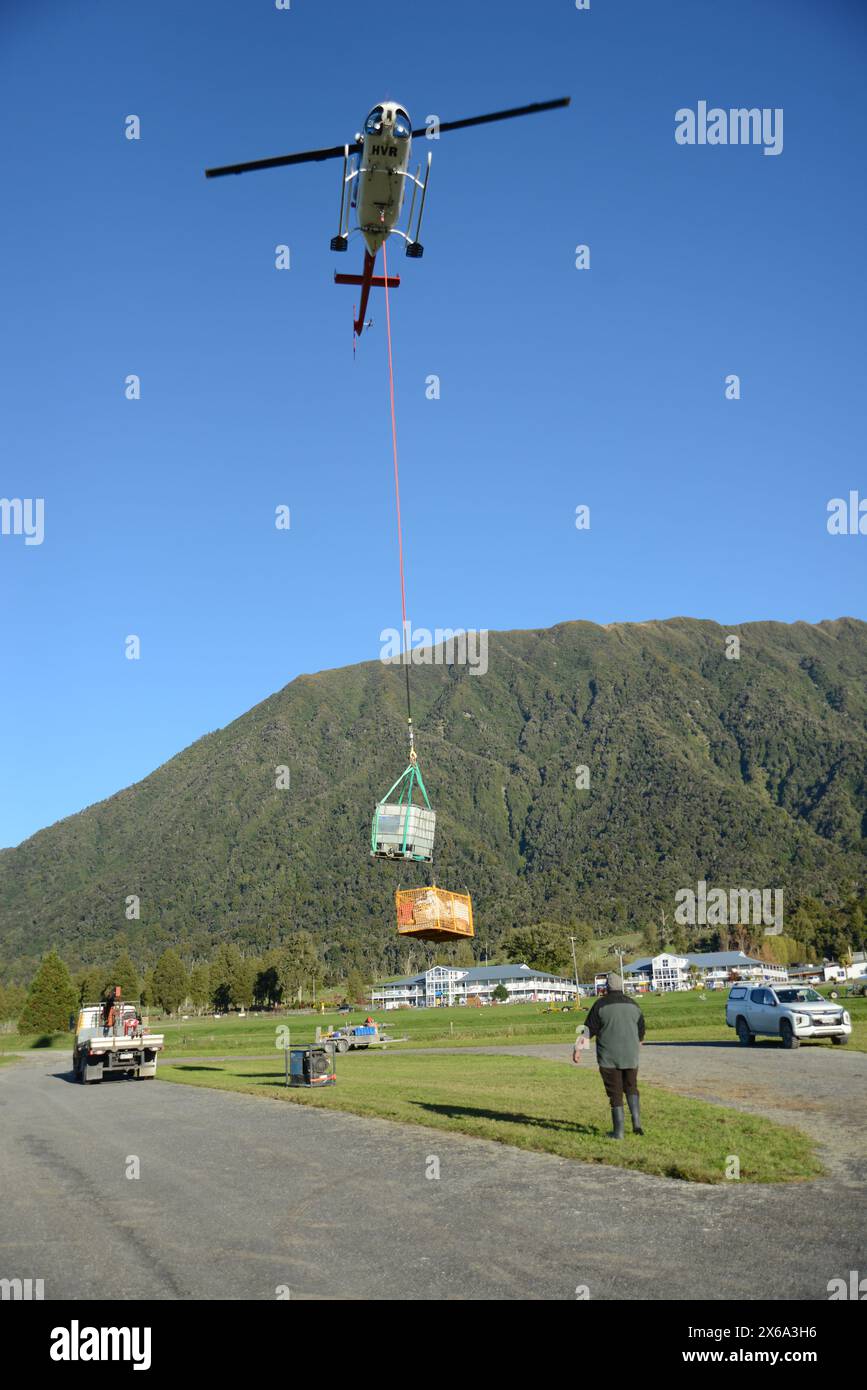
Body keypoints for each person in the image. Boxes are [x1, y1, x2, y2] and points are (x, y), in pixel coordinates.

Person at [572, 972, 645, 1139]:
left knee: (615, 1092)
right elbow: (641, 1034)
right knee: (631, 1086)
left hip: (608, 1057)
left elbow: (587, 1030)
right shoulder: (634, 1005)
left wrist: (577, 1049)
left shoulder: (600, 1005)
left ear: (606, 987)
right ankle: (637, 1124)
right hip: (631, 1056)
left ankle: (618, 1132)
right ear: (622, 986)